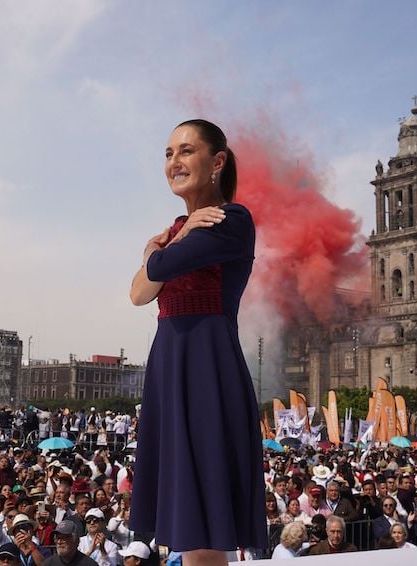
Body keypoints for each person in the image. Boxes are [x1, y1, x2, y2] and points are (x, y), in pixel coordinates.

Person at [129, 119, 263, 566]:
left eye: (185, 151)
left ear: (217, 161)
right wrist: (172, 241)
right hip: (171, 368)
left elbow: (158, 269)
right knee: (189, 524)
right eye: (168, 154)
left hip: (207, 370)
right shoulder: (181, 228)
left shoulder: (232, 219)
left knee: (203, 519)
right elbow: (137, 294)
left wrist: (158, 249)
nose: (174, 162)